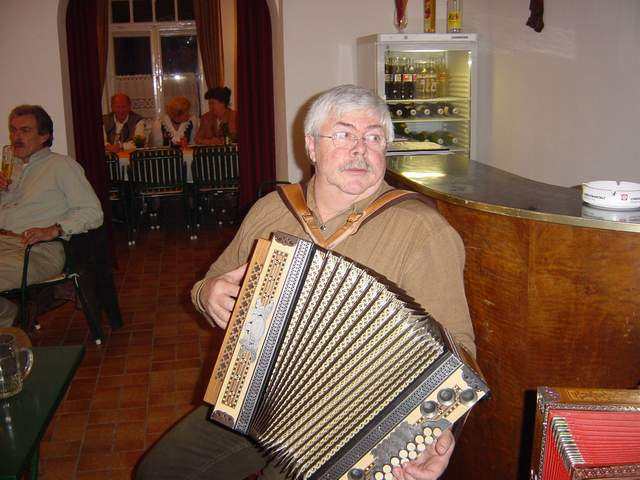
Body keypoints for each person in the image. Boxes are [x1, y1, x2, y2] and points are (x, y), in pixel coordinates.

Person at [136, 85, 476, 480]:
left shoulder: (422, 230)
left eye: (373, 137)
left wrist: (440, 429)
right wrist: (207, 293)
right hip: (256, 396)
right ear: (311, 146)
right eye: (344, 134)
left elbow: (459, 352)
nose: (359, 149)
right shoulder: (272, 210)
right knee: (159, 472)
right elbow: (211, 280)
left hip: (349, 424)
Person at [0, 105, 103, 327]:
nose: (16, 137)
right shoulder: (10, 168)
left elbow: (93, 212)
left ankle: (10, 318)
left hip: (35, 249)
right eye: (13, 130)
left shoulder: (61, 166)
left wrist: (54, 229)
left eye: (25, 131)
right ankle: (10, 314)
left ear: (44, 136)